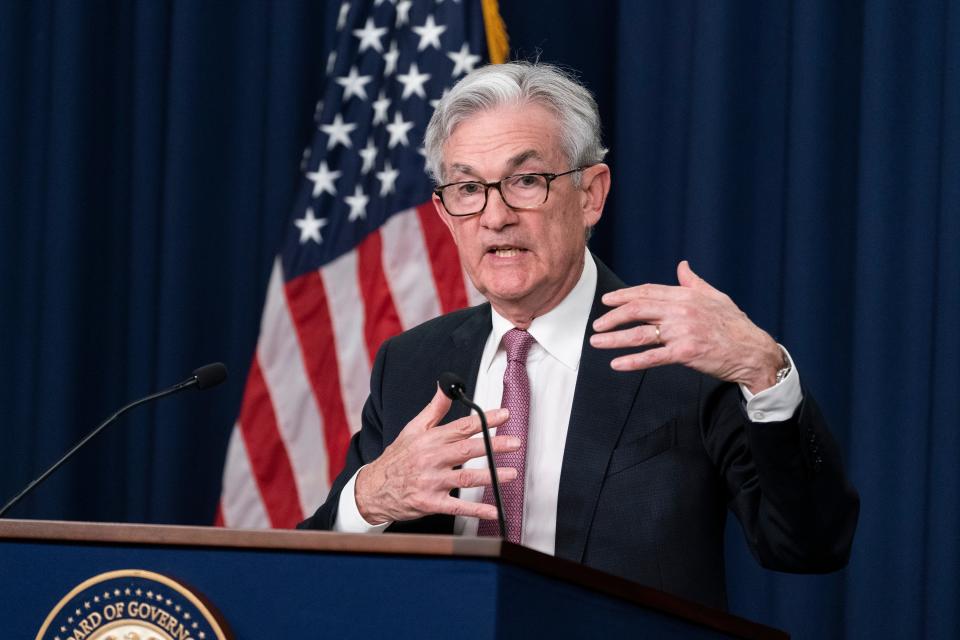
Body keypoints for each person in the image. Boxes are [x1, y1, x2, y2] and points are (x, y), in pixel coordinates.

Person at [298, 61, 859, 610]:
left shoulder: (682, 354)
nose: (495, 216)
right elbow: (314, 571)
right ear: (446, 213)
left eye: (525, 181)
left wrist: (765, 372)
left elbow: (807, 546)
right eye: (468, 188)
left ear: (590, 194)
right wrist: (370, 498)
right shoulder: (411, 362)